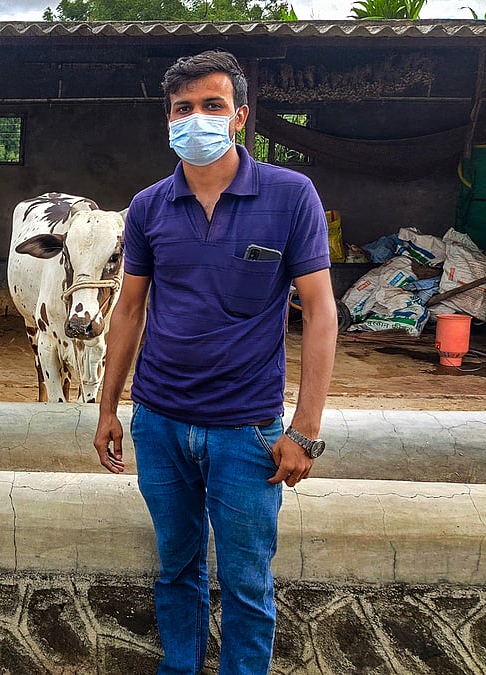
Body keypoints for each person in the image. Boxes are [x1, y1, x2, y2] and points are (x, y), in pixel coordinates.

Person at [93, 50, 337, 674]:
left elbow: (320, 311)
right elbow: (128, 309)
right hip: (161, 420)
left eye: (212, 106)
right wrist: (107, 408)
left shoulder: (289, 196)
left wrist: (304, 430)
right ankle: (180, 666)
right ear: (168, 120)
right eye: (183, 109)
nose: (196, 118)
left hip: (247, 431)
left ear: (239, 117)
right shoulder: (149, 207)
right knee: (176, 568)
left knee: (248, 581)